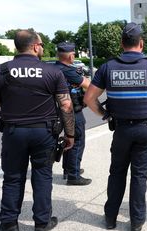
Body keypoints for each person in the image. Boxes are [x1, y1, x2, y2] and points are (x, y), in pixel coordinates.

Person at [84, 22, 147, 231]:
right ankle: (136, 222)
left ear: (121, 44)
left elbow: (90, 98)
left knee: (116, 173)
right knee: (139, 176)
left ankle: (110, 218)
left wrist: (105, 114)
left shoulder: (108, 67)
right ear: (141, 44)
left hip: (121, 130)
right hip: (146, 128)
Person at [0, 29, 75, 231]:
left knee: (13, 177)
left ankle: (9, 224)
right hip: (44, 132)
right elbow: (66, 106)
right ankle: (41, 224)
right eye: (41, 45)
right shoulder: (52, 72)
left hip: (13, 132)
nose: (42, 48)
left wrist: (9, 98)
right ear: (34, 46)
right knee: (42, 176)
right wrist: (70, 134)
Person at [55, 42, 92, 186]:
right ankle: (73, 175)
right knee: (77, 141)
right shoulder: (68, 71)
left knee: (68, 139)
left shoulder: (54, 68)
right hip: (72, 110)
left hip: (58, 110)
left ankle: (67, 169)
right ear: (71, 55)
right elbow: (88, 84)